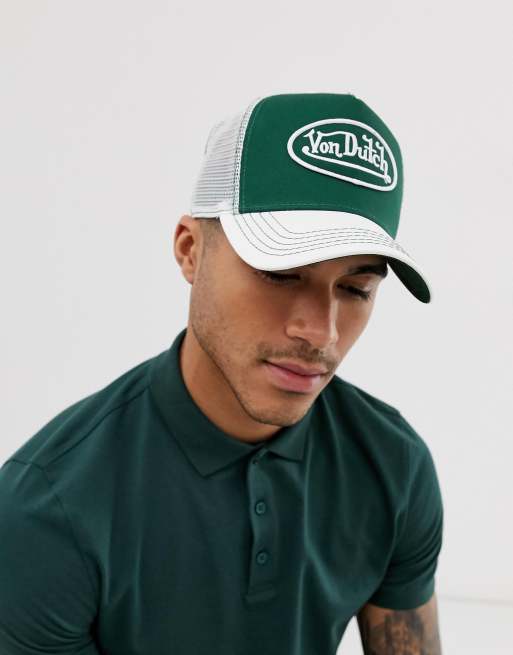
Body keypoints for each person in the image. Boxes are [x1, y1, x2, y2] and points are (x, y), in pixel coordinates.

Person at [0, 92, 444, 654]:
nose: (321, 331)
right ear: (190, 251)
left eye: (356, 288)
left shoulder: (392, 465)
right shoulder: (50, 509)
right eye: (281, 273)